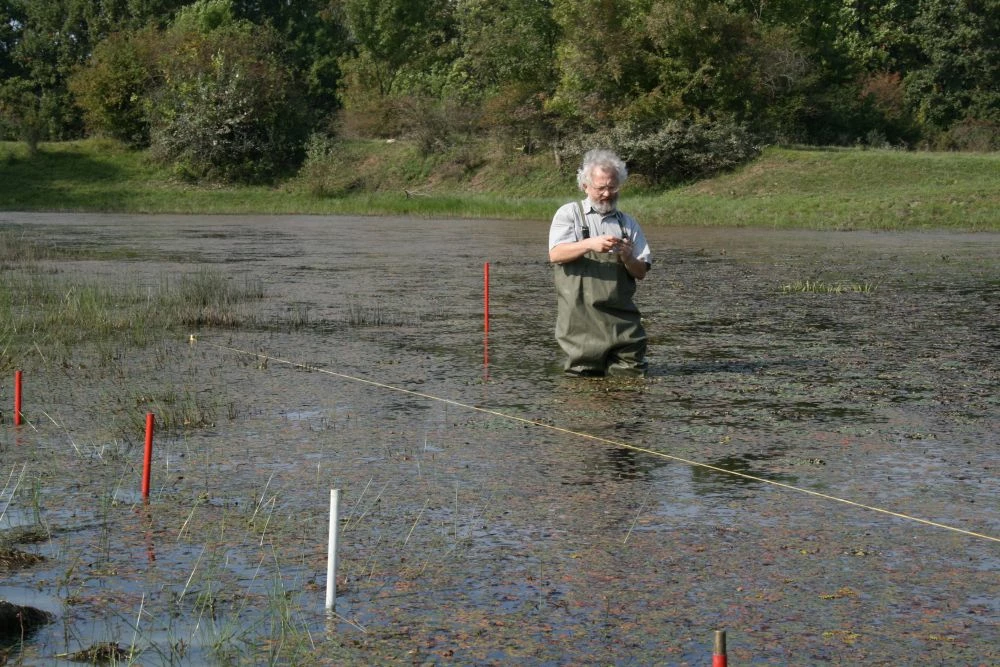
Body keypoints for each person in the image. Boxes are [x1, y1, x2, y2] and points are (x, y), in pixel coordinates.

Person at [548, 149, 652, 377]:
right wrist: (589, 244)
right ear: (585, 186)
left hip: (623, 326)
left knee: (632, 383)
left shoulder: (628, 224)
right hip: (580, 328)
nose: (607, 193)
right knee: (581, 389)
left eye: (612, 187)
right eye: (600, 188)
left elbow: (641, 271)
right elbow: (556, 254)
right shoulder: (569, 214)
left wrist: (627, 257)